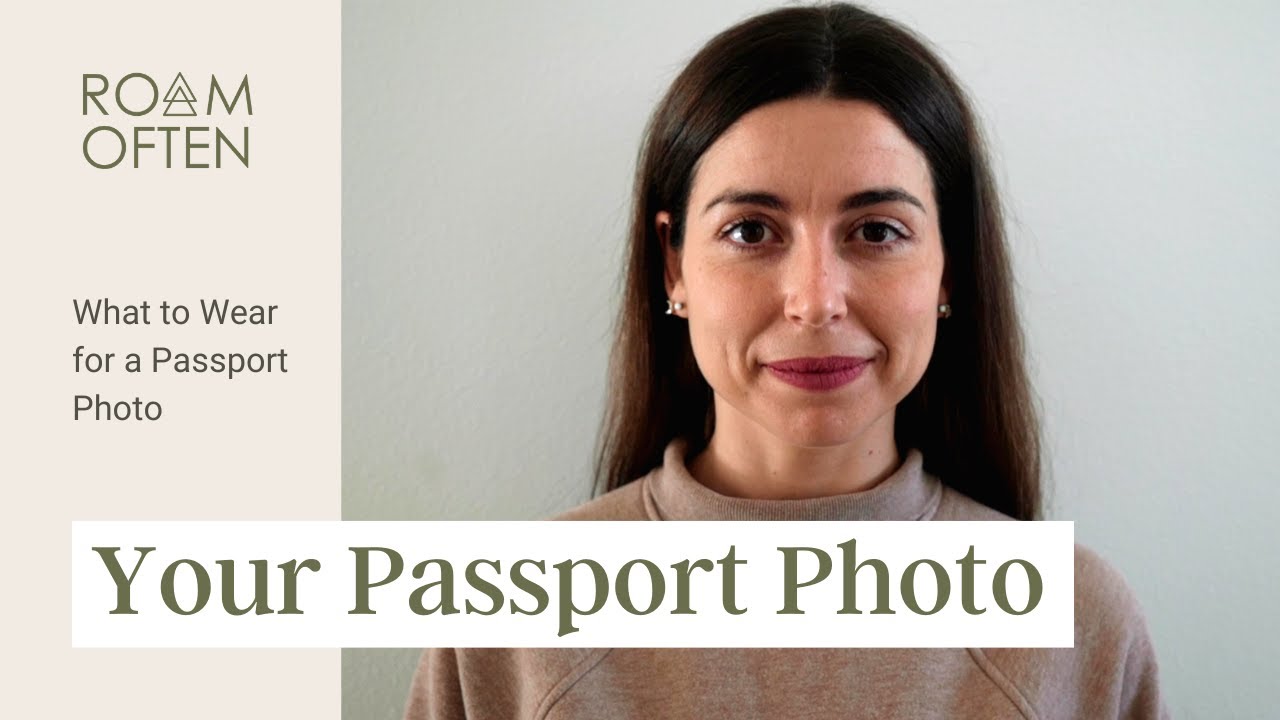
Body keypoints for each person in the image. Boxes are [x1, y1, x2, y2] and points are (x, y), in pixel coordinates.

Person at [404, 3, 1169, 718]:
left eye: (875, 232)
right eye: (750, 231)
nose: (814, 301)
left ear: (949, 267)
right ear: (673, 266)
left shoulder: (1078, 621)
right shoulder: (509, 622)